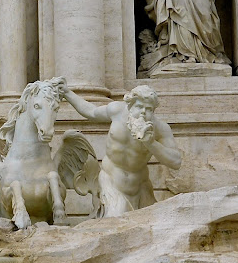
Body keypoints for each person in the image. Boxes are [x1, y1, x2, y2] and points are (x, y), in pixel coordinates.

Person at [59, 81, 181, 217]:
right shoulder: (116, 111)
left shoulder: (159, 128)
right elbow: (91, 111)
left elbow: (176, 162)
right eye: (140, 107)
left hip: (140, 187)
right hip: (111, 182)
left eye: (149, 109)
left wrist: (151, 143)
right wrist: (67, 93)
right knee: (115, 221)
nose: (143, 113)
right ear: (130, 105)